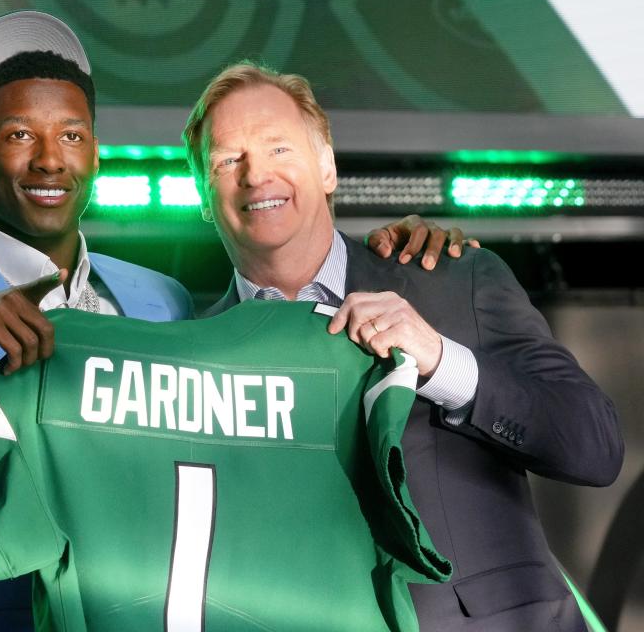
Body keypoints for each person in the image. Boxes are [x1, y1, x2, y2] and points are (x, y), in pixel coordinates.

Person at [0, 11, 470, 631]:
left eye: (73, 135)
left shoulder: (163, 301)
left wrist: (395, 247)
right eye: (20, 135)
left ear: (96, 151)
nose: (50, 160)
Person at [181, 61, 623, 631]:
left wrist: (442, 362)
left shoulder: (457, 278)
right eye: (227, 160)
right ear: (201, 193)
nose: (255, 175)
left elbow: (594, 446)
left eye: (278, 149)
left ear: (327, 167)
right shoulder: (197, 357)